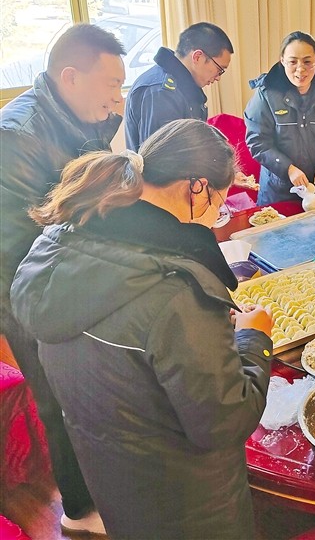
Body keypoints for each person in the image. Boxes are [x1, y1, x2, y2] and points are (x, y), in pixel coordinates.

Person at [10, 119, 274, 539]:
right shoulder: (174, 289)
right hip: (189, 503)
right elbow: (225, 421)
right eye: (218, 205)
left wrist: (202, 336)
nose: (214, 219)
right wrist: (253, 338)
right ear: (197, 188)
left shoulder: (59, 244)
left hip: (113, 481)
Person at [0, 23, 125, 535]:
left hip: (72, 275)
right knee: (59, 399)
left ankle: (105, 489)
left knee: (91, 392)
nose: (117, 97)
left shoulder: (83, 113)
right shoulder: (17, 137)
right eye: (111, 85)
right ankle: (79, 511)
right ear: (70, 77)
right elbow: (21, 249)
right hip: (25, 290)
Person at [244, 31, 315, 206]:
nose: (300, 69)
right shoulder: (266, 94)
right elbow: (258, 142)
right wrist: (288, 169)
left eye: (307, 62)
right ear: (282, 61)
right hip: (278, 191)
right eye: (293, 62)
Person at [124, 22, 233, 151]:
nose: (218, 77)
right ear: (197, 57)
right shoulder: (161, 92)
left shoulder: (187, 89)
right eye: (219, 69)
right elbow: (160, 158)